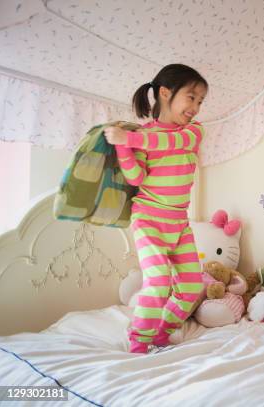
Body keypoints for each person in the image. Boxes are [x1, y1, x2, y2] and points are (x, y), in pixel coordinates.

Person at [104, 63, 208, 353]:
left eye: (201, 101)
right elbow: (136, 177)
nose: (196, 107)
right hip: (148, 218)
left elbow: (171, 142)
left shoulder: (193, 132)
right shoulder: (143, 136)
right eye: (191, 97)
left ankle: (162, 330)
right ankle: (139, 339)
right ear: (165, 92)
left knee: (191, 285)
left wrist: (131, 138)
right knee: (159, 281)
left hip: (179, 222)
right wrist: (124, 147)